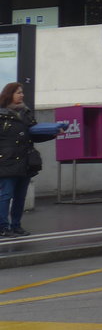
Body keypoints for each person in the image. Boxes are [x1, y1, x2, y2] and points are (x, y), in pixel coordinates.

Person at [0, 82, 56, 237]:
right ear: (9, 94)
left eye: (22, 92)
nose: (22, 95)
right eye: (18, 92)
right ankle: (3, 227)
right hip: (7, 161)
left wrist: (53, 133)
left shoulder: (26, 113)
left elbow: (34, 134)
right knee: (6, 196)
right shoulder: (2, 114)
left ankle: (16, 225)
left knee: (20, 197)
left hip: (25, 161)